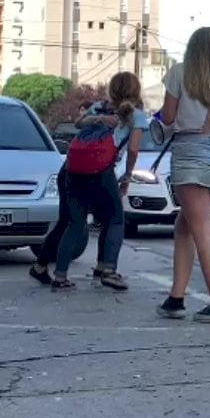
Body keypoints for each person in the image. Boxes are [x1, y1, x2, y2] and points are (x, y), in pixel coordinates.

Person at [157, 27, 210, 323]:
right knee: (185, 226)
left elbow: (167, 118)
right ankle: (175, 298)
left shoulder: (180, 73)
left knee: (203, 230)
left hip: (191, 153)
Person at [46, 72, 147, 291]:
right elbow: (133, 149)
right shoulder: (136, 115)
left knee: (75, 223)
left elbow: (79, 124)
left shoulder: (99, 106)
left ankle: (60, 275)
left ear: (112, 89)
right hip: (100, 171)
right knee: (116, 219)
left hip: (74, 170)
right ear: (136, 90)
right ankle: (108, 271)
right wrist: (127, 177)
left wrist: (98, 118)